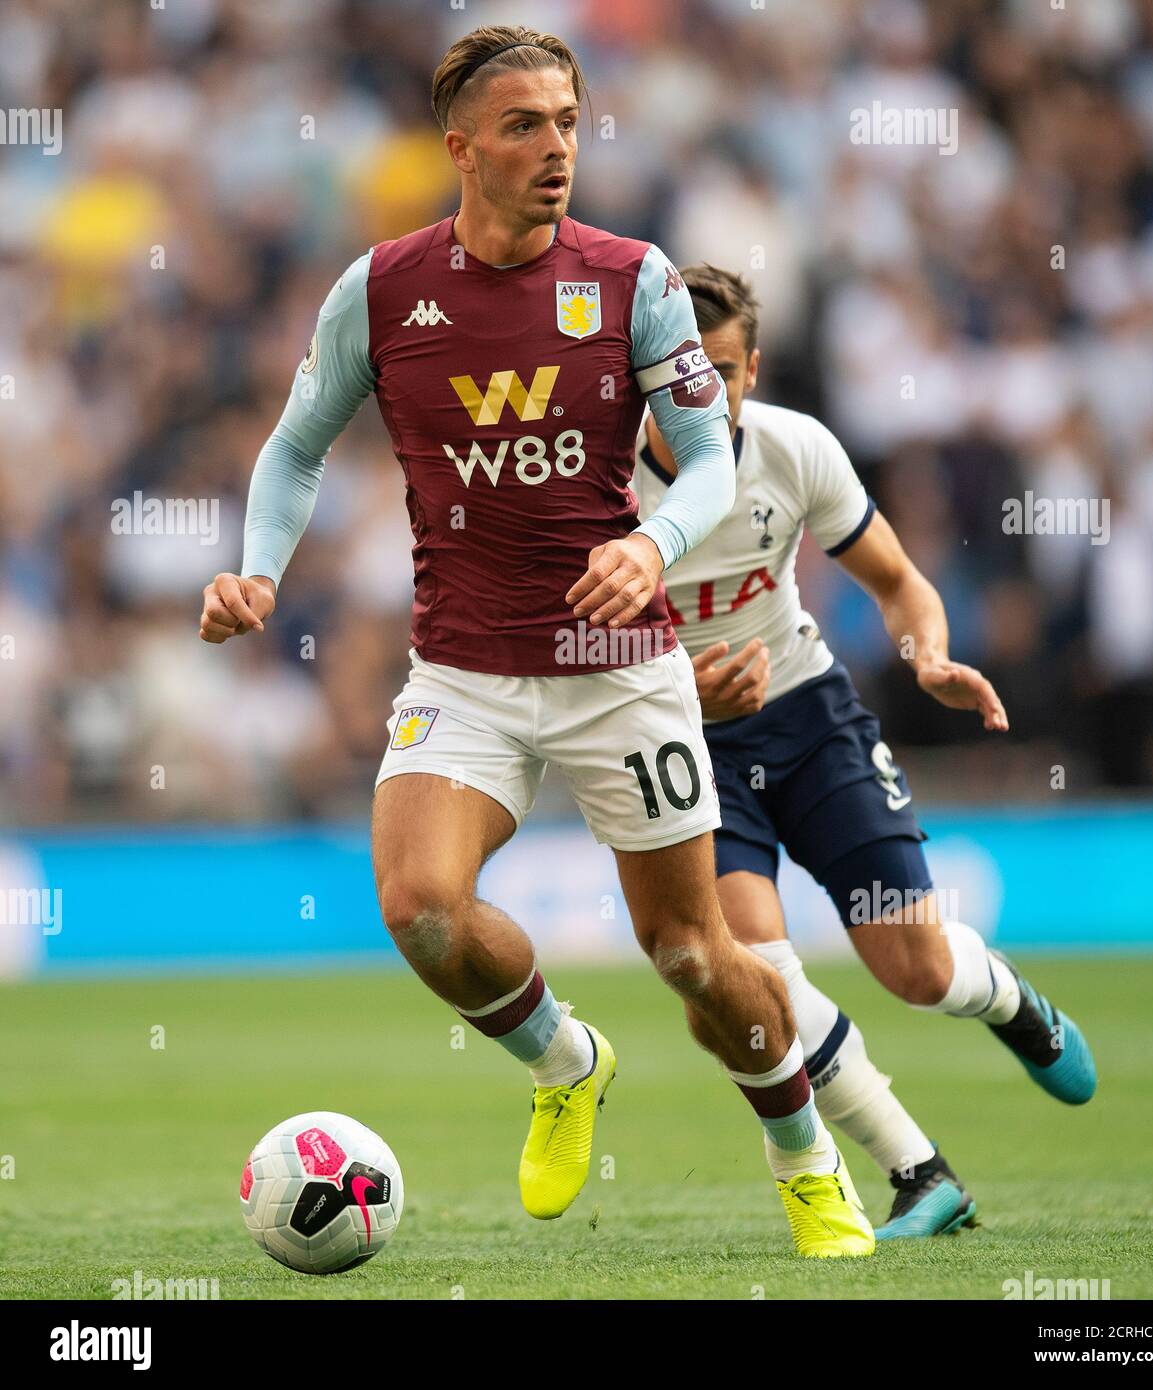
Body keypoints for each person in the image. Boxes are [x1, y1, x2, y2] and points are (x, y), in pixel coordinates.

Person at [199, 27, 873, 1257]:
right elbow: (296, 446)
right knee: (419, 908)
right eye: (524, 126)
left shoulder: (632, 278)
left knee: (690, 952)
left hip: (621, 674)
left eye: (567, 120)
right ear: (459, 148)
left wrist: (651, 546)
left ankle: (805, 1155)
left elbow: (712, 454)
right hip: (465, 667)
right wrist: (256, 568)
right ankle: (565, 1057)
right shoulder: (383, 289)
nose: (555, 147)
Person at [632, 263, 1097, 1238]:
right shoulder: (597, 487)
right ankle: (919, 1173)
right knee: (751, 976)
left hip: (809, 721)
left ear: (751, 370)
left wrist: (926, 650)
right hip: (690, 757)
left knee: (916, 969)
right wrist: (677, 689)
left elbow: (898, 579)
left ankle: (1013, 1004)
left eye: (720, 370)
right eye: (679, 371)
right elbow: (567, 656)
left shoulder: (797, 449)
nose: (701, 394)